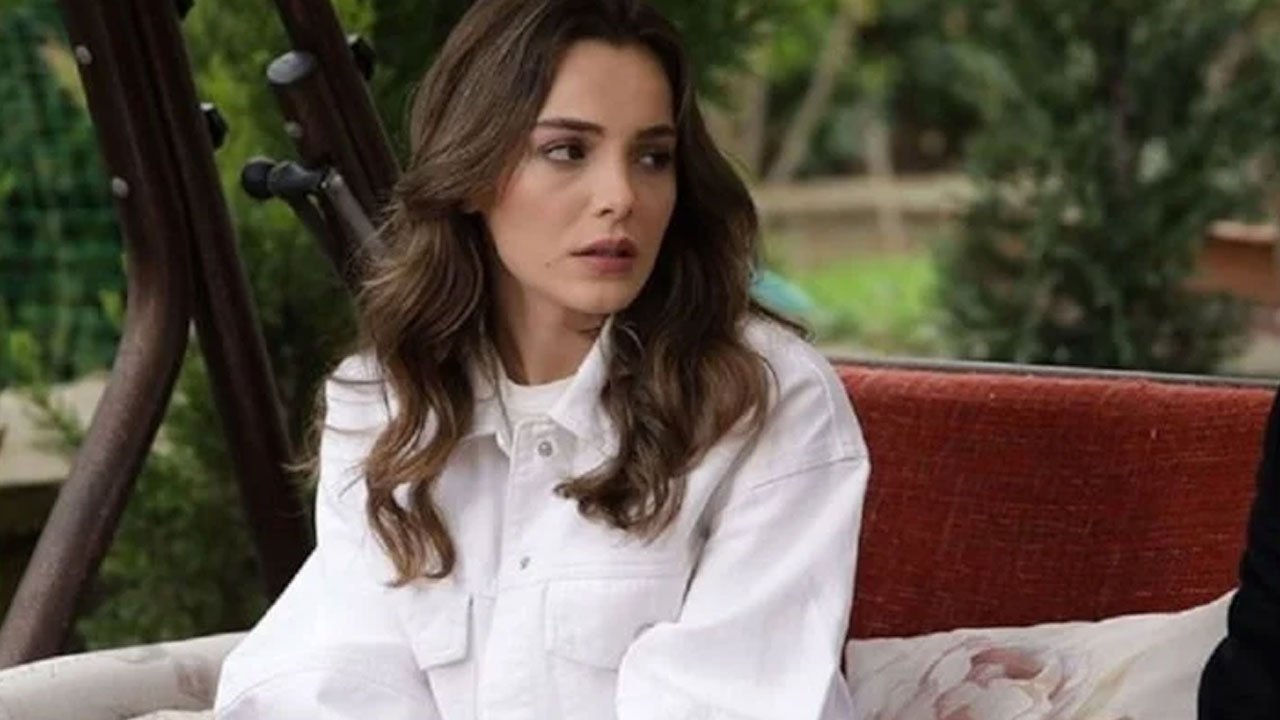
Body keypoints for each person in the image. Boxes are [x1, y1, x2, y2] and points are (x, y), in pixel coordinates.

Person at [213, 0, 869, 717]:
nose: (621, 197)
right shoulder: (384, 404)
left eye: (652, 157)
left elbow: (731, 702)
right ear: (473, 170)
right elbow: (337, 680)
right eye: (567, 151)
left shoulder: (764, 400)